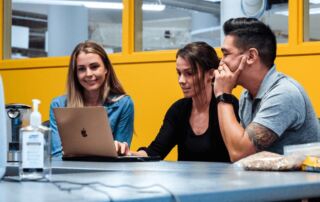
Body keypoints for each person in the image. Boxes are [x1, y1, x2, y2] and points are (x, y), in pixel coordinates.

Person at [213, 17, 320, 162]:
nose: (221, 62)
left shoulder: (284, 94)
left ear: (251, 56)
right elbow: (237, 151)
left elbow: (238, 153)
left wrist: (223, 95)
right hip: (268, 182)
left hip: (303, 184)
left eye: (226, 54)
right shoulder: (247, 96)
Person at [117, 41, 239, 162]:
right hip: (186, 181)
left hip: (222, 180)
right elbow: (155, 152)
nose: (181, 80)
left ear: (211, 74)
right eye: (179, 73)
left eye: (189, 73)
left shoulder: (227, 105)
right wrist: (127, 153)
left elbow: (239, 154)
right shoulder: (178, 110)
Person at [49, 41, 134, 158]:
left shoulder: (124, 104)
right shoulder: (58, 105)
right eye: (81, 69)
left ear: (106, 69)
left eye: (94, 67)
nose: (88, 74)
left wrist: (119, 149)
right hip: (69, 173)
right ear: (75, 74)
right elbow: (57, 156)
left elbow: (121, 155)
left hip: (107, 173)